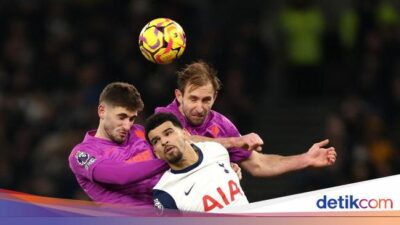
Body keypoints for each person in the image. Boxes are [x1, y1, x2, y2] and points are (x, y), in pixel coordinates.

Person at [68, 82, 250, 206]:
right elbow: (119, 176)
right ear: (102, 110)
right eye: (121, 117)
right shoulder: (82, 154)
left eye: (132, 118)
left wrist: (215, 167)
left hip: (177, 208)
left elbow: (182, 150)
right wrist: (173, 157)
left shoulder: (140, 132)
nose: (127, 125)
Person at [155, 61, 337, 177]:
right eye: (193, 99)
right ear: (179, 96)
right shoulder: (163, 117)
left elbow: (258, 164)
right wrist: (235, 142)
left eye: (206, 100)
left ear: (215, 98)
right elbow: (181, 141)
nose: (200, 107)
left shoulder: (222, 125)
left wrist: (305, 159)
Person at [145, 113, 249, 212]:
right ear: (156, 153)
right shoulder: (165, 193)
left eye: (168, 133)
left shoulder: (216, 150)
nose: (163, 142)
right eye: (156, 141)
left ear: (185, 133)